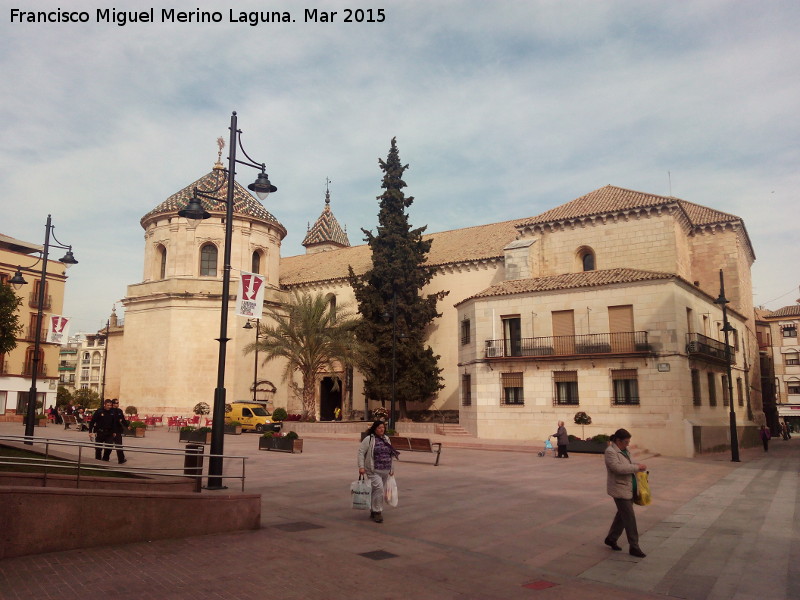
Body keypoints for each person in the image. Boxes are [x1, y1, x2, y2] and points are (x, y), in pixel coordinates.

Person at [604, 428, 647, 558]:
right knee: (629, 518)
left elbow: (628, 464)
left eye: (629, 441)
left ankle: (611, 538)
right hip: (619, 489)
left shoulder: (625, 450)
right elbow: (617, 468)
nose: (628, 444)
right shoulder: (610, 452)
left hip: (630, 488)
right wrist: (636, 467)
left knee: (622, 516)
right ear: (618, 440)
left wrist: (637, 465)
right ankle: (634, 546)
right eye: (626, 441)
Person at [357, 420, 399, 523]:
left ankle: (373, 509)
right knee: (379, 489)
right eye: (379, 428)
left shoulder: (386, 438)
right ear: (375, 429)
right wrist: (361, 467)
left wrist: (391, 468)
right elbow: (361, 452)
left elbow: (391, 454)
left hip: (385, 469)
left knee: (376, 490)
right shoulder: (369, 439)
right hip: (373, 470)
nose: (382, 429)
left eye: (383, 427)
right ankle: (377, 512)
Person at [88, 399, 128, 464]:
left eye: (110, 405)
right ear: (104, 405)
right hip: (100, 432)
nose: (109, 407)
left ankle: (105, 459)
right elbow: (92, 422)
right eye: (108, 405)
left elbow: (114, 423)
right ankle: (97, 461)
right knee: (98, 448)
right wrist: (90, 431)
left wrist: (114, 431)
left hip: (109, 433)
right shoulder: (99, 411)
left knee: (109, 447)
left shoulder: (112, 412)